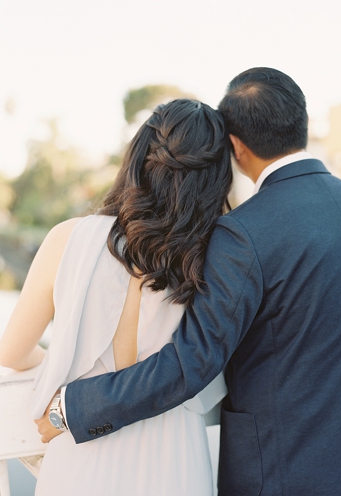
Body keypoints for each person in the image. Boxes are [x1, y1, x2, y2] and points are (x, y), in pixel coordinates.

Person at [36, 68, 341, 495]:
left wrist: (73, 407)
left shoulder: (245, 231)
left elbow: (192, 360)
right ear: (300, 122)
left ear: (235, 145)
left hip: (276, 469)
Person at [0, 99, 233, 494]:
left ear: (137, 158)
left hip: (79, 450)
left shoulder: (66, 239)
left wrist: (64, 365)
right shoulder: (214, 258)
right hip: (173, 458)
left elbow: (12, 352)